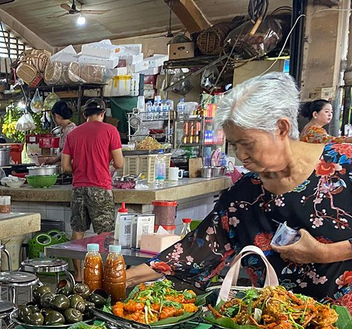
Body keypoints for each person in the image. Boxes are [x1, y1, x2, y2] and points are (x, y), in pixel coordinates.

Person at [126, 73, 352, 304]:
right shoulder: (244, 196)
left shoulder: (345, 165)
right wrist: (127, 277)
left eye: (247, 144)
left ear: (282, 128)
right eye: (234, 145)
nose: (240, 155)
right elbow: (194, 253)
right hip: (277, 327)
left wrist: (325, 253)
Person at [61, 98, 124, 282]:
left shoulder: (73, 134)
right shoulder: (110, 130)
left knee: (77, 232)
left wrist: (80, 170)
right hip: (101, 188)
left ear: (84, 115)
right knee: (105, 235)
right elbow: (119, 163)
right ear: (103, 113)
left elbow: (65, 166)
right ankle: (102, 276)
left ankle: (79, 275)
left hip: (79, 188)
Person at [39, 100, 77, 165]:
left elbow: (67, 152)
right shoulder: (64, 129)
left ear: (56, 116)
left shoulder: (70, 130)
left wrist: (54, 159)